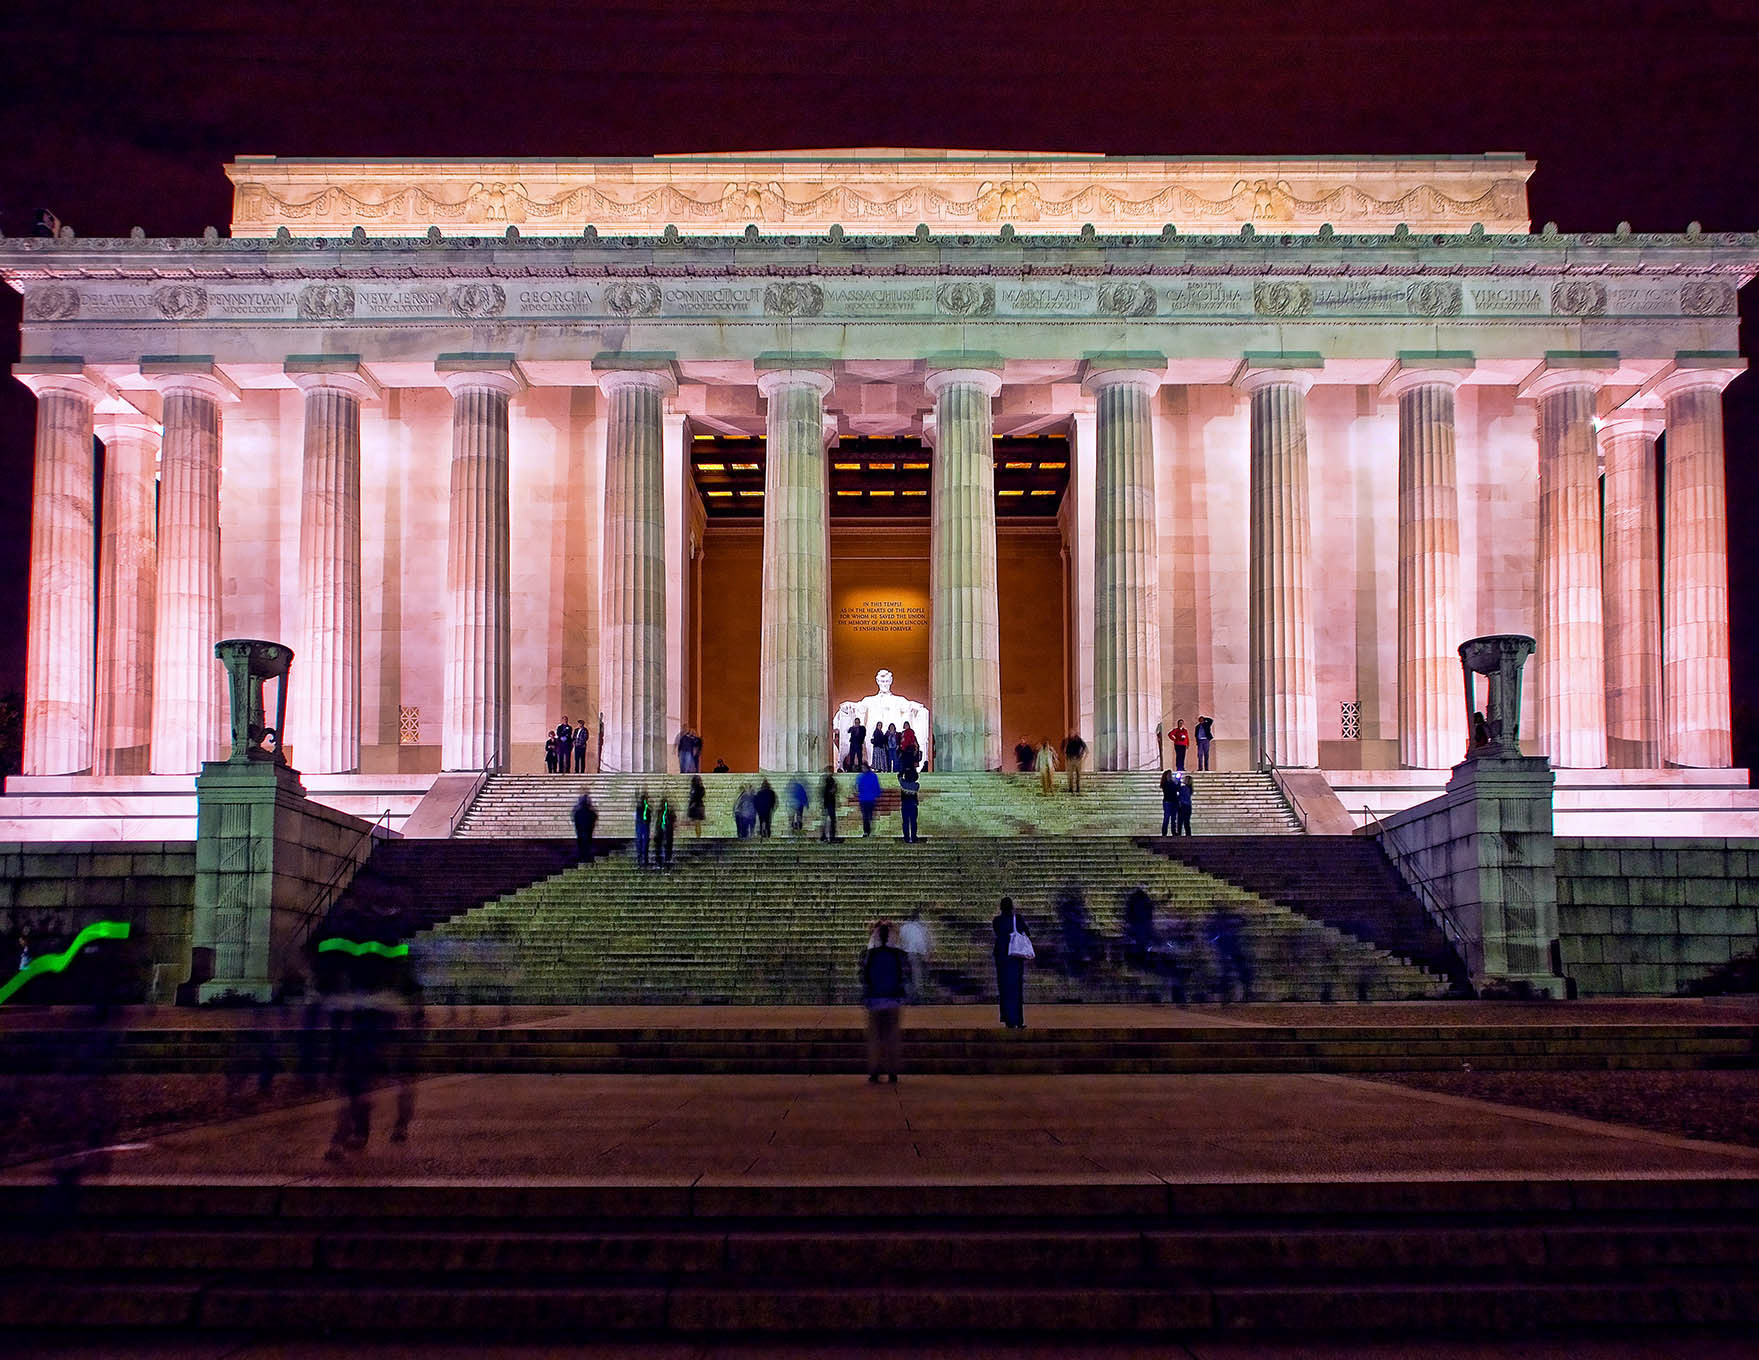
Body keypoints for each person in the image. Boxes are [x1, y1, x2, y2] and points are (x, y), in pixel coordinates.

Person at [861, 921, 909, 1083]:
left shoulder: (871, 954)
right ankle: (892, 1071)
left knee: (875, 1037)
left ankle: (874, 1071)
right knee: (892, 1036)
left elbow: (864, 976)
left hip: (874, 1000)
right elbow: (903, 974)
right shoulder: (896, 954)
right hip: (892, 999)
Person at [992, 897, 1031, 1029]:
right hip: (1015, 957)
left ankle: (1008, 1018)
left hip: (1002, 957)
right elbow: (1027, 932)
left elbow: (997, 933)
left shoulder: (997, 921)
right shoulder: (1017, 919)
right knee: (1016, 988)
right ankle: (1018, 1019)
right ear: (1012, 907)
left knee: (1004, 988)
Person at [898, 909, 932, 1000]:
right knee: (918, 974)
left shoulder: (904, 927)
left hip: (910, 952)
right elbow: (927, 941)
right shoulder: (922, 927)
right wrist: (927, 953)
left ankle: (914, 994)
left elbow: (901, 941)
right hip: (920, 951)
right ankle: (918, 994)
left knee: (914, 974)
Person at [572, 790, 598, 863]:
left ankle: (583, 857)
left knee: (582, 844)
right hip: (587, 831)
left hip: (582, 831)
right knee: (587, 844)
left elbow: (575, 819)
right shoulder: (590, 812)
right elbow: (594, 817)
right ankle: (586, 857)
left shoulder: (578, 812)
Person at [898, 767, 921, 843]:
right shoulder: (916, 785)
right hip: (913, 805)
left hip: (905, 805)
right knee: (913, 822)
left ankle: (906, 837)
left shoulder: (903, 783)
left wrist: (904, 769)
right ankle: (914, 837)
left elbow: (899, 776)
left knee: (905, 822)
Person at [856, 765, 881, 836]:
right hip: (868, 799)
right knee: (867, 815)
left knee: (866, 815)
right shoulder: (872, 776)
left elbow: (857, 787)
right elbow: (876, 787)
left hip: (865, 798)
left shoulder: (861, 776)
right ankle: (867, 831)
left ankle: (867, 831)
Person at [633, 789, 652, 867]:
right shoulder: (642, 808)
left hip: (643, 829)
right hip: (642, 829)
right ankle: (642, 859)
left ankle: (643, 859)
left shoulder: (644, 809)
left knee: (643, 844)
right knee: (642, 844)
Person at [654, 795, 675, 866]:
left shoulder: (667, 813)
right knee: (662, 846)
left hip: (665, 832)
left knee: (665, 846)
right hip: (663, 832)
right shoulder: (662, 813)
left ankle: (664, 859)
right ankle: (663, 860)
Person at [820, 772, 839, 842]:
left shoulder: (826, 787)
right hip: (829, 806)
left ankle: (826, 836)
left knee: (829, 821)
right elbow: (830, 793)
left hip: (829, 805)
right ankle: (828, 837)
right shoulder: (828, 788)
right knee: (830, 821)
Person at [1176, 771, 1194, 837]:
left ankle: (1179, 834)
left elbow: (1178, 790)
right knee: (1186, 822)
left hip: (1183, 806)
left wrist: (1178, 781)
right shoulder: (1190, 789)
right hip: (1188, 806)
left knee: (1180, 821)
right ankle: (1188, 835)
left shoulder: (1185, 788)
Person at [1160, 769, 1178, 836]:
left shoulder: (1172, 782)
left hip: (1174, 801)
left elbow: (1177, 789)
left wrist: (1177, 782)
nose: (1170, 776)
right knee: (1167, 817)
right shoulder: (1165, 783)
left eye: (1171, 774)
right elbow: (1169, 790)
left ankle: (1174, 832)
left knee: (1174, 818)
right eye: (1169, 774)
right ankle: (1164, 832)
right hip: (1168, 802)